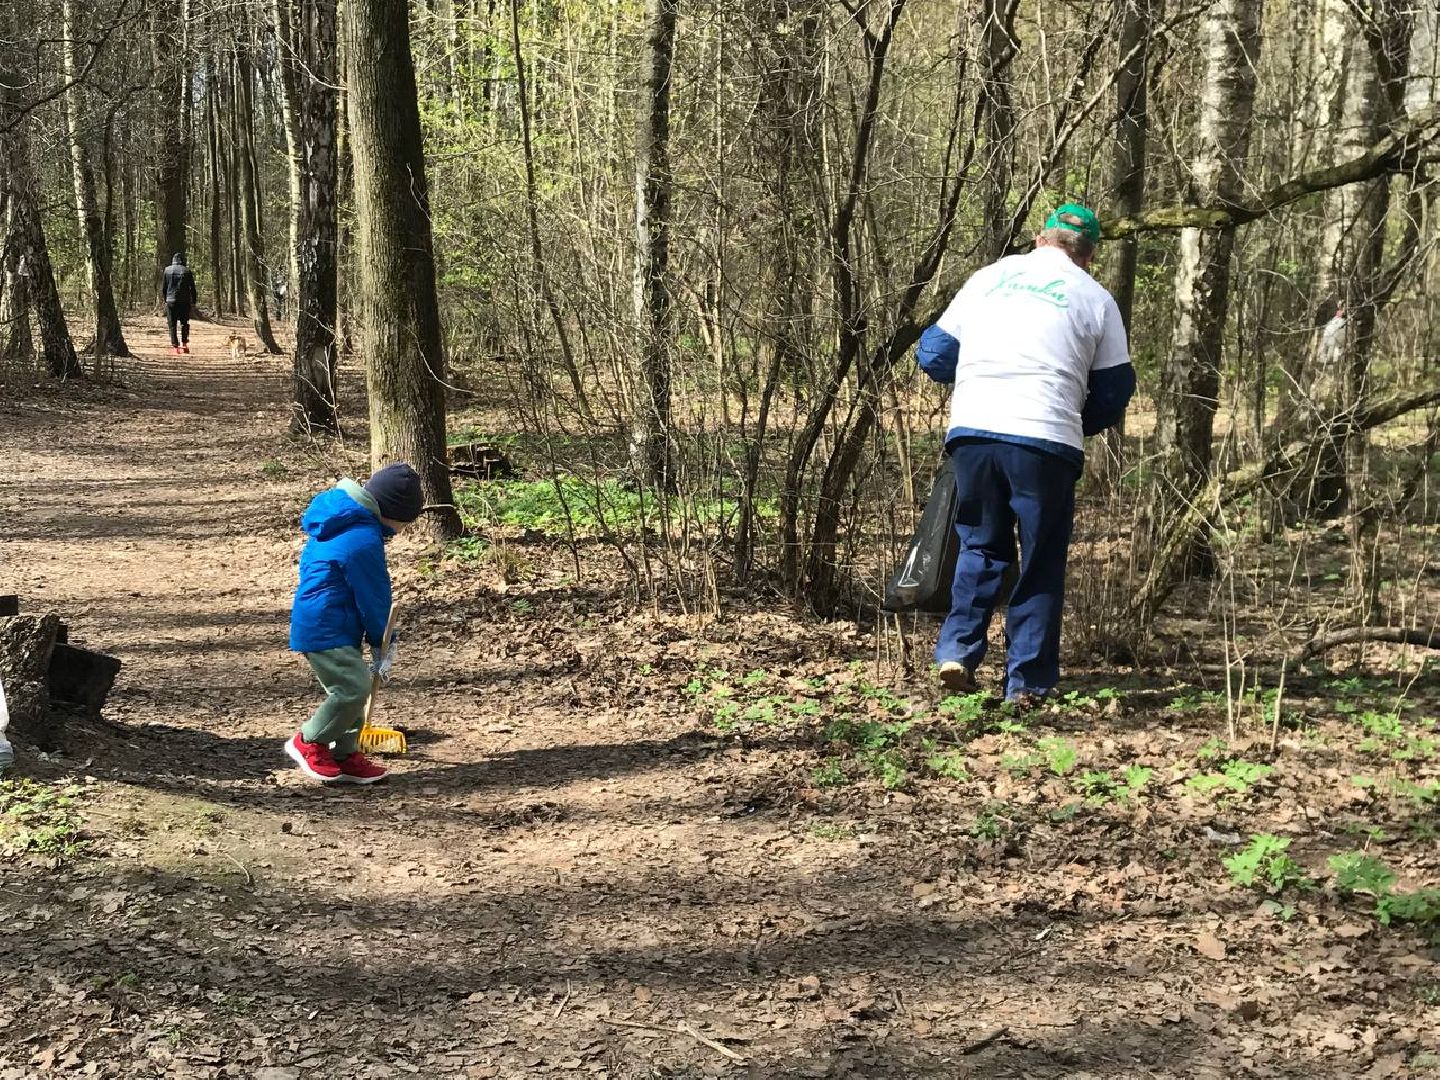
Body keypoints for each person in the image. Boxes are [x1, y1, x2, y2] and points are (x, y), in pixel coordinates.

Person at [915, 203, 1135, 705]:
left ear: (1041, 238)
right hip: (1045, 440)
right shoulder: (1096, 297)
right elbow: (1116, 388)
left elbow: (933, 354)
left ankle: (957, 651)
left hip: (973, 433)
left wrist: (978, 375)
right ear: (1089, 255)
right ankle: (1029, 683)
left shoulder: (989, 277)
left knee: (980, 545)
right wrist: (1076, 423)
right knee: (1040, 558)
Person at [285, 463, 426, 784]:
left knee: (352, 689)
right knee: (353, 689)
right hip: (325, 625)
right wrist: (383, 643)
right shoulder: (362, 539)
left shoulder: (343, 521)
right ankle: (308, 741)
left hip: (334, 621)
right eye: (407, 520)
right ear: (394, 511)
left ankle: (344, 754)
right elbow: (374, 597)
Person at [161, 252, 199, 356]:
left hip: (171, 301)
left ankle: (175, 347)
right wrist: (193, 302)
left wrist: (165, 300)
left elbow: (164, 288)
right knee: (184, 323)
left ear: (173, 261)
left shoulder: (167, 270)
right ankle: (185, 344)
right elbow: (193, 288)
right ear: (182, 261)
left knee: (172, 324)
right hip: (184, 301)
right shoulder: (187, 271)